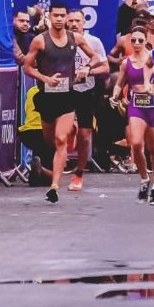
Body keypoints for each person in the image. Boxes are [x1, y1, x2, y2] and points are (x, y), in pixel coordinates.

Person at [21, 3, 106, 204]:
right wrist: (45, 78)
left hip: (68, 95)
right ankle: (53, 170)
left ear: (67, 17)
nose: (59, 19)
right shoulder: (39, 41)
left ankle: (54, 186)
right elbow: (27, 68)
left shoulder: (76, 38)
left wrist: (86, 68)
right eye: (56, 15)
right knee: (51, 140)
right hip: (47, 96)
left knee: (61, 139)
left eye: (62, 16)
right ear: (50, 17)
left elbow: (95, 58)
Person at [112, 26, 154, 205]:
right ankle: (144, 179)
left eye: (140, 40)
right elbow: (120, 82)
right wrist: (115, 94)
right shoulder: (127, 62)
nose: (136, 43)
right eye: (133, 40)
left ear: (146, 40)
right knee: (135, 143)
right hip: (137, 105)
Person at [65, 10, 111, 190]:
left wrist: (87, 71)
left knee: (84, 135)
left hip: (87, 90)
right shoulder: (60, 40)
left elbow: (105, 68)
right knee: (63, 131)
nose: (74, 24)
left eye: (78, 21)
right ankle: (56, 167)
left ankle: (79, 173)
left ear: (84, 23)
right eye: (71, 21)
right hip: (65, 91)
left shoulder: (93, 42)